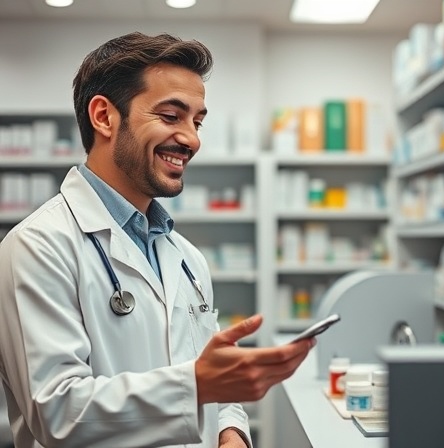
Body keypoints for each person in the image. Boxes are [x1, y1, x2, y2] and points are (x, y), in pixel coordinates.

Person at [0, 31, 315, 448]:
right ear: (104, 117)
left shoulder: (186, 257)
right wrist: (196, 386)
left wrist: (232, 432)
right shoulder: (38, 247)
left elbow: (213, 382)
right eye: (171, 116)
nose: (192, 139)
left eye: (197, 121)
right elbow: (56, 412)